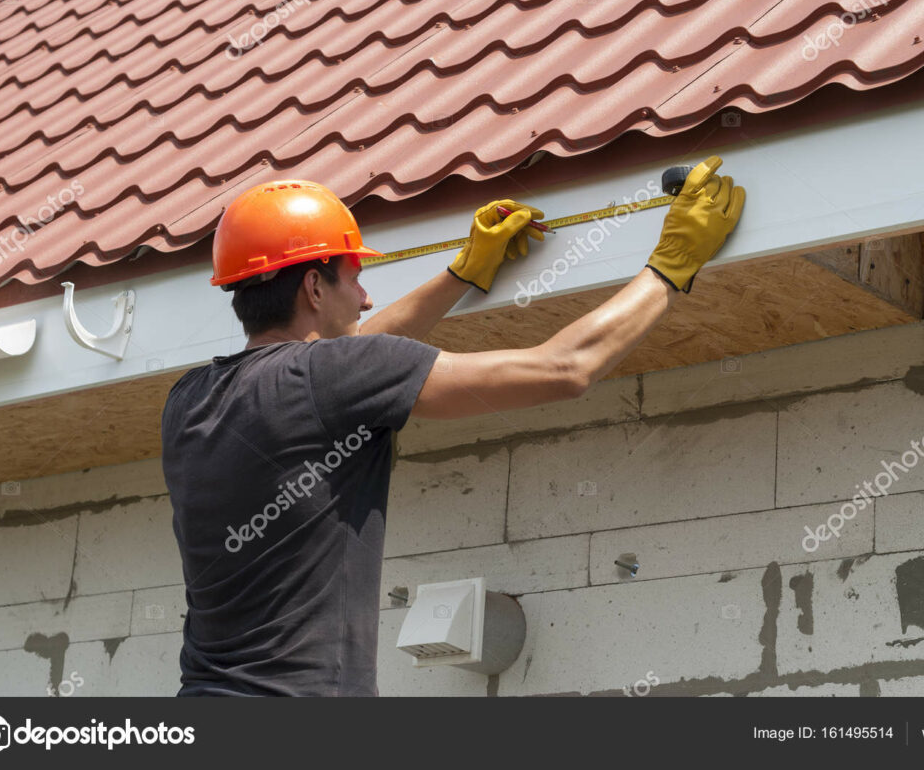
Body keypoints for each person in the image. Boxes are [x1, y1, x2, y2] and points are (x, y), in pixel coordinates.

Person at [160, 158, 745, 696]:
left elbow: (343, 362)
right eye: (354, 277)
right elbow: (565, 369)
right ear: (314, 286)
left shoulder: (189, 400)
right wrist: (672, 264)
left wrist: (463, 274)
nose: (366, 299)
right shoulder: (331, 377)